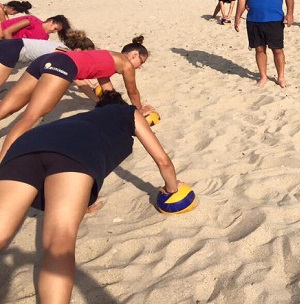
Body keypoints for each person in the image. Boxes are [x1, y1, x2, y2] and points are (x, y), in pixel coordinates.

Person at [0, 90, 184, 303]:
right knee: (59, 242)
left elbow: (55, 164)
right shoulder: (126, 112)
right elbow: (163, 161)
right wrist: (172, 188)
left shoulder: (82, 120)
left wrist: (82, 204)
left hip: (26, 146)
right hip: (74, 154)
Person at [0, 36, 154, 160]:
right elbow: (132, 92)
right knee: (31, 117)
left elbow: (110, 96)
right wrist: (139, 111)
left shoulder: (107, 57)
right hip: (61, 65)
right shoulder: (126, 65)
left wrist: (124, 114)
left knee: (6, 108)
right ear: (134, 54)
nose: (139, 66)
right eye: (141, 61)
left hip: (46, 59)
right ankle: (3, 162)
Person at [234, 0, 294, 88]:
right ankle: (263, 76)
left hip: (274, 19)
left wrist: (290, 13)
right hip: (254, 20)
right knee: (259, 49)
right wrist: (237, 17)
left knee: (277, 49)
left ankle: (281, 77)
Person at [0, 29, 94, 88]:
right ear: (78, 50)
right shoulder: (65, 53)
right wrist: (97, 99)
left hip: (10, 44)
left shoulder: (61, 47)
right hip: (12, 50)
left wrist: (91, 85)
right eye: (86, 53)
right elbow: (78, 80)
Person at [1, 14, 70, 41]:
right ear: (51, 21)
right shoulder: (32, 21)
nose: (54, 32)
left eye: (57, 31)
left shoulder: (45, 37)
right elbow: (6, 31)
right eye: (55, 29)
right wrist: (12, 49)